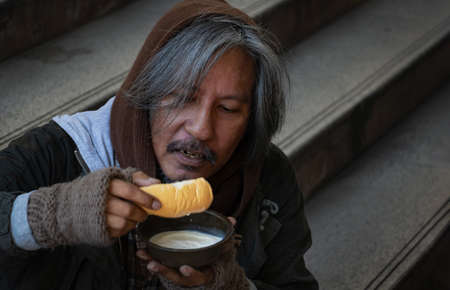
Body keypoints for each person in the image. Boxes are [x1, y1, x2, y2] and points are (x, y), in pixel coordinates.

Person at [0, 0, 318, 289]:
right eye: (182, 98)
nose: (201, 129)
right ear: (149, 93)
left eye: (228, 109)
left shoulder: (267, 178)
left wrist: (231, 286)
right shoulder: (69, 150)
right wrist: (56, 213)